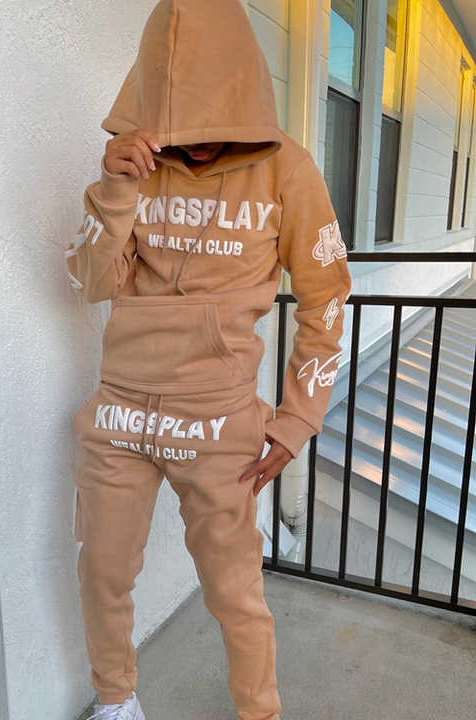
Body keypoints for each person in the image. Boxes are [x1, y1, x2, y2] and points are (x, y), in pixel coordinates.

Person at [65, 1, 352, 718]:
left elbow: (326, 298)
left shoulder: (288, 169)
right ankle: (115, 701)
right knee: (102, 572)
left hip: (218, 417)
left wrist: (296, 420)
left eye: (210, 126)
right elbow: (89, 280)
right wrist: (115, 192)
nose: (194, 146)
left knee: (235, 592)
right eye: (180, 126)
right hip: (120, 410)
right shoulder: (133, 164)